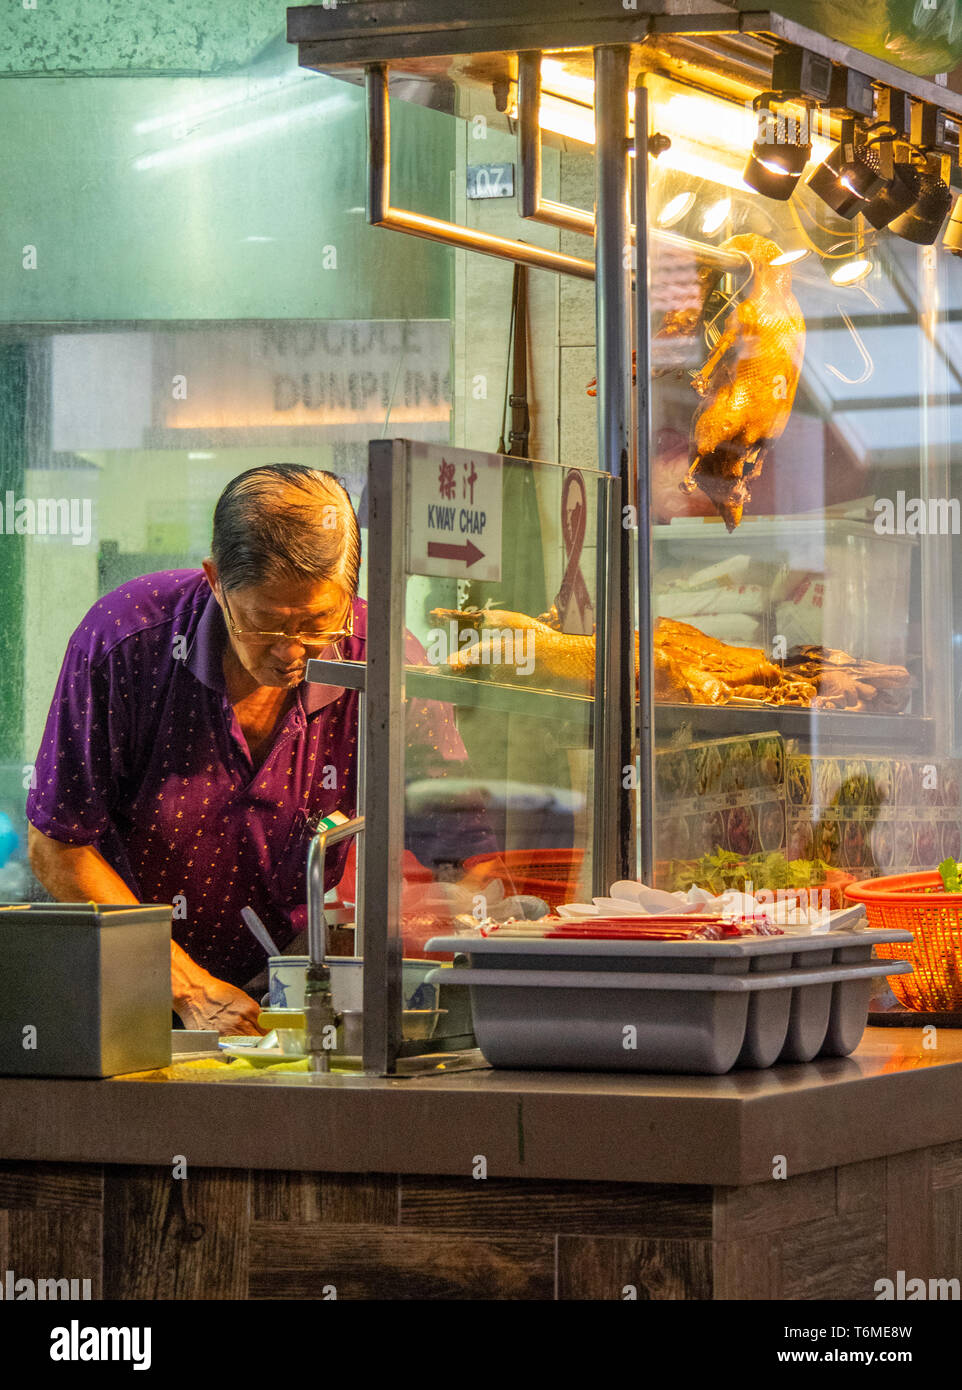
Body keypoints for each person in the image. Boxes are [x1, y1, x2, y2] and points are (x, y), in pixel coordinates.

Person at [26, 464, 493, 1035]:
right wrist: (187, 987)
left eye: (319, 621)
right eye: (264, 624)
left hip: (283, 983)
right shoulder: (126, 639)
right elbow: (58, 845)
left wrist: (493, 943)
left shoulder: (381, 661)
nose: (292, 652)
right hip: (118, 981)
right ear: (215, 580)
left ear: (351, 589)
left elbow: (460, 843)